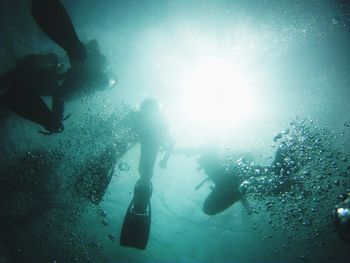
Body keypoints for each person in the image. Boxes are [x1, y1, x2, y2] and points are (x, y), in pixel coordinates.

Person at [0, 0, 113, 134]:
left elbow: (61, 92)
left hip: (37, 77)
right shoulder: (86, 79)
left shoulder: (87, 71)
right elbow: (59, 95)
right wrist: (56, 117)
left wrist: (78, 49)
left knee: (10, 84)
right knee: (10, 87)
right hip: (38, 80)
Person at [120, 99, 175, 250]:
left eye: (151, 110)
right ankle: (140, 205)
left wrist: (165, 159)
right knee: (145, 173)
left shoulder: (158, 123)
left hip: (150, 137)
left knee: (145, 173)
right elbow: (172, 141)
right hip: (146, 136)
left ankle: (140, 207)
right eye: (147, 110)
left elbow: (171, 141)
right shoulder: (141, 118)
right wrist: (165, 159)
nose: (149, 113)